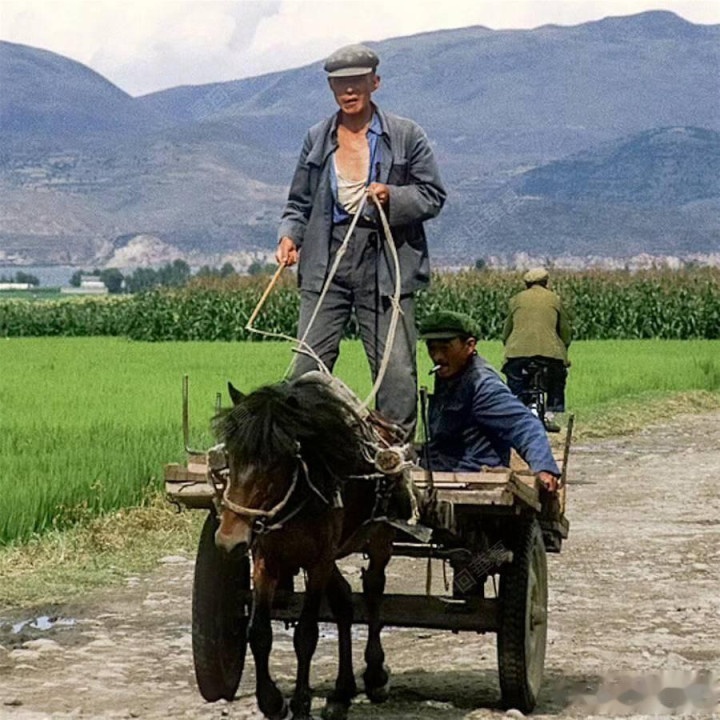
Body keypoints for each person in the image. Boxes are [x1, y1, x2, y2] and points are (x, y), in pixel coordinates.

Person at [276, 43, 446, 439]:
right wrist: (289, 237)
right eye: (340, 84)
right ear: (331, 89)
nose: (349, 91)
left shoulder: (405, 136)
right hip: (326, 262)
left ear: (375, 83)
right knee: (307, 365)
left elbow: (432, 195)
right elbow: (298, 204)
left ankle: (394, 450)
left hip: (386, 263)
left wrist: (392, 197)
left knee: (395, 369)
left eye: (357, 82)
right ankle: (303, 446)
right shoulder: (317, 138)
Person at [419, 311, 560, 492]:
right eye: (432, 348)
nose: (437, 356)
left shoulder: (483, 386)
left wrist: (544, 468)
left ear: (469, 346)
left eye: (445, 348)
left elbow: (523, 424)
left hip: (472, 477)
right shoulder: (450, 374)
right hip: (441, 468)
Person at [502, 268, 572, 426]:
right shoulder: (555, 299)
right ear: (546, 283)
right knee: (557, 378)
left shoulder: (516, 299)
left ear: (526, 284)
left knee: (514, 383)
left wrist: (509, 345)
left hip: (517, 354)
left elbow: (506, 332)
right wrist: (564, 351)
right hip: (550, 355)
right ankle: (551, 412)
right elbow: (565, 331)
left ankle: (516, 412)